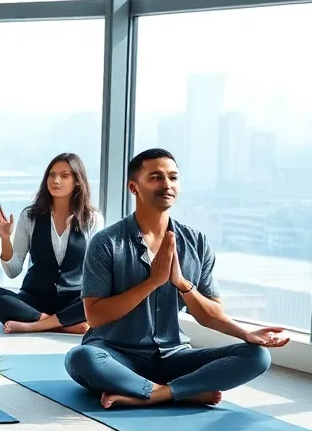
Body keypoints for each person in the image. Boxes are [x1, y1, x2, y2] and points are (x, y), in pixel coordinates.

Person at [63, 148, 287, 409]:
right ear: (134, 187)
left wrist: (184, 286)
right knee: (81, 358)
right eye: (156, 177)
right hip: (117, 356)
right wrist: (152, 282)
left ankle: (157, 393)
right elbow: (95, 317)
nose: (167, 184)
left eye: (173, 177)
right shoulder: (107, 242)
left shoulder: (196, 242)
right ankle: (183, 391)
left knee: (257, 356)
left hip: (174, 357)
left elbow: (210, 313)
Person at [0, 153, 104, 334]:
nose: (56, 180)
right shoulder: (30, 216)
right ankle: (58, 325)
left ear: (77, 181)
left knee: (103, 298)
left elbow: (97, 271)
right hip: (35, 298)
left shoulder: (91, 219)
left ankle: (33, 324)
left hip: (73, 301)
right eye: (51, 175)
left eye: (64, 175)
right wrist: (5, 239)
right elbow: (13, 271)